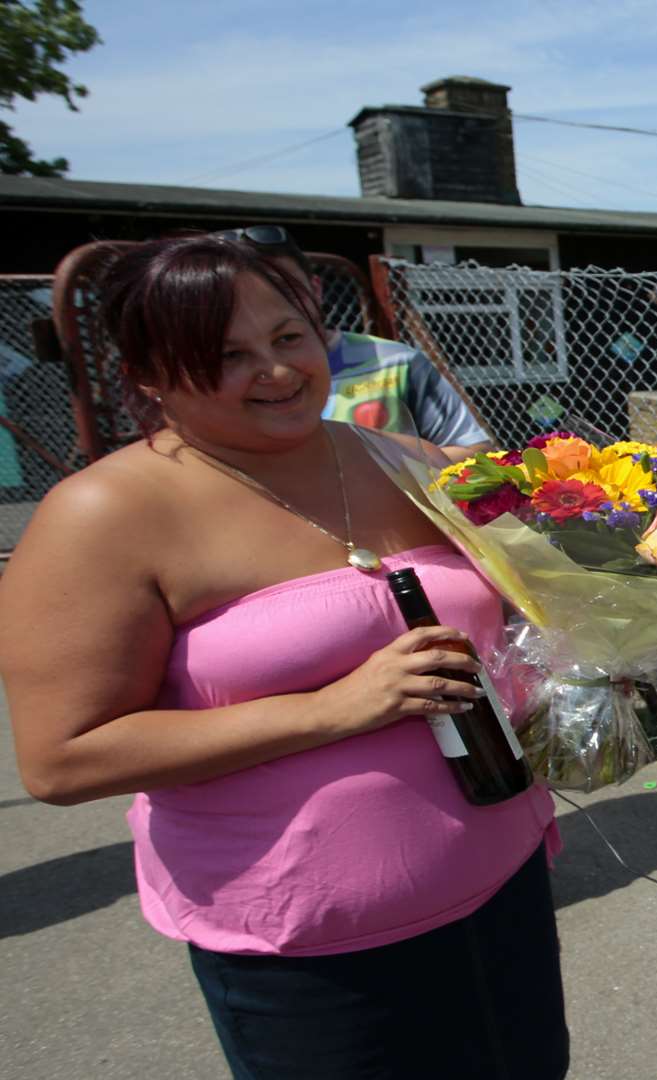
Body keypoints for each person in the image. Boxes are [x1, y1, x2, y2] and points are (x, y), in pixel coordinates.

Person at [0, 236, 568, 1079]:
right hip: (307, 949)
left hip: (501, 884)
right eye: (227, 355)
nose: (274, 371)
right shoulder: (103, 515)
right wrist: (334, 707)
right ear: (151, 374)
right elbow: (61, 758)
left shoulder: (395, 456)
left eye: (289, 338)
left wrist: (632, 577)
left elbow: (552, 558)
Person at [210, 224, 492, 460]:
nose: (278, 373)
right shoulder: (210, 384)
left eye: (284, 289)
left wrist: (371, 469)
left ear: (316, 289)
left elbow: (477, 452)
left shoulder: (393, 364)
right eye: (232, 355)